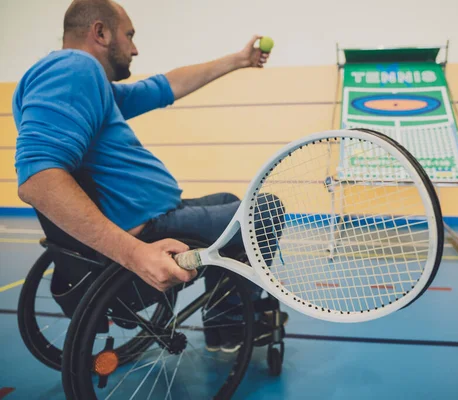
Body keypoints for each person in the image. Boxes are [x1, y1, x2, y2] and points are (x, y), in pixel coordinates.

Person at [13, 0, 286, 352]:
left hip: (155, 216)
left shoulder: (88, 83)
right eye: (129, 36)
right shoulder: (74, 69)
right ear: (100, 32)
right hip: (149, 231)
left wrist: (238, 60)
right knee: (265, 211)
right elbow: (39, 180)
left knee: (231, 205)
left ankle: (225, 320)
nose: (135, 48)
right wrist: (135, 255)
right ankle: (230, 323)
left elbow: (163, 87)